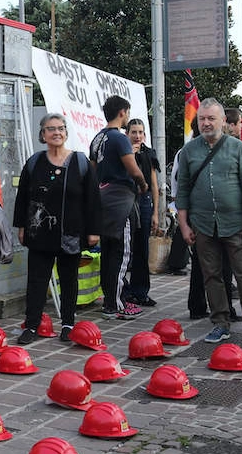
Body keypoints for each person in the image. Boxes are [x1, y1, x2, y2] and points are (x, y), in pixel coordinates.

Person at [176, 98, 242, 346]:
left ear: (222, 121)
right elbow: (183, 190)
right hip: (203, 224)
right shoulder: (189, 151)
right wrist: (184, 225)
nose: (206, 123)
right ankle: (220, 324)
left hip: (235, 224)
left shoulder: (237, 148)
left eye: (211, 118)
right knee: (211, 276)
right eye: (202, 119)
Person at [13, 114, 101, 344]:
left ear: (66, 132)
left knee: (69, 278)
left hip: (70, 233)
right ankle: (31, 325)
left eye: (60, 128)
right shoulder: (34, 163)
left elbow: (92, 199)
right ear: (43, 134)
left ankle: (68, 324)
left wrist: (93, 230)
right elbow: (23, 197)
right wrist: (21, 226)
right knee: (37, 280)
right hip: (39, 232)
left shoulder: (80, 162)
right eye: (50, 129)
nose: (56, 133)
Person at [89, 95, 149, 320]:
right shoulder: (119, 138)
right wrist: (143, 185)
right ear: (122, 112)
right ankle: (116, 304)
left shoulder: (97, 138)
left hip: (102, 199)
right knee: (122, 253)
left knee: (108, 253)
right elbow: (133, 169)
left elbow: (92, 171)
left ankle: (109, 300)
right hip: (121, 199)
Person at [125, 118, 161, 307]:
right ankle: (124, 292)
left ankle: (141, 292)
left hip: (145, 203)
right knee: (125, 249)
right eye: (134, 132)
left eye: (140, 132)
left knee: (142, 249)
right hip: (125, 201)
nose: (137, 136)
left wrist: (156, 212)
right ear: (127, 134)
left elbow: (154, 184)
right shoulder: (122, 152)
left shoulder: (149, 154)